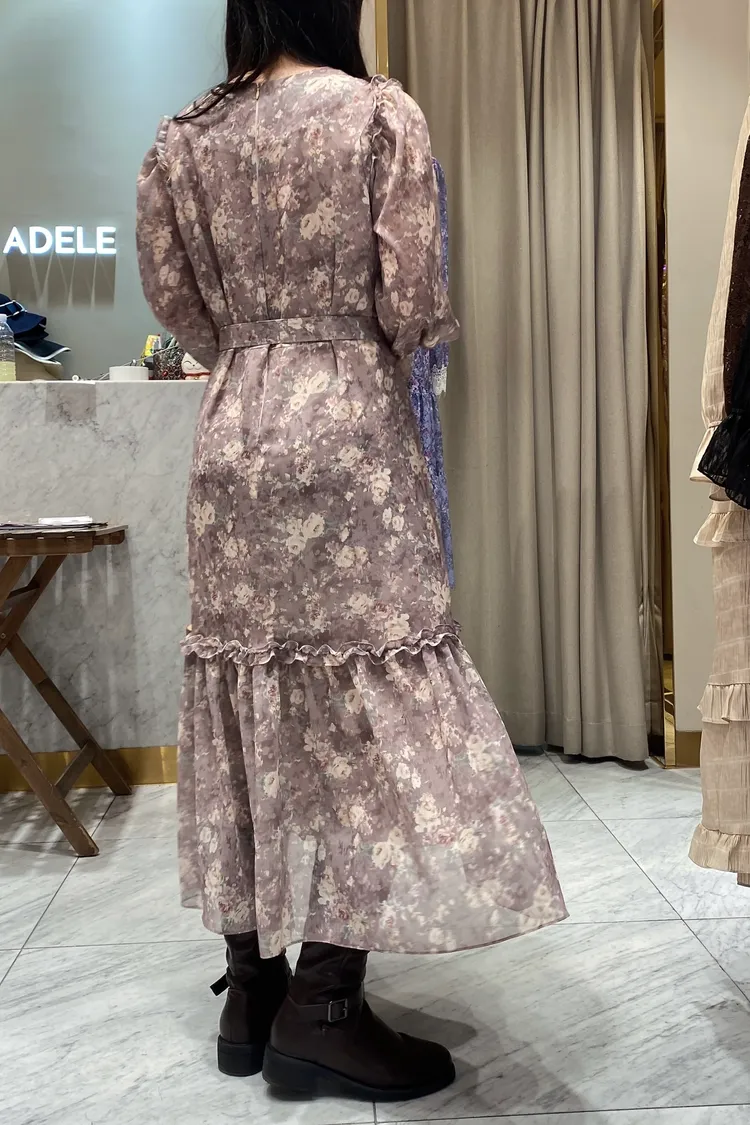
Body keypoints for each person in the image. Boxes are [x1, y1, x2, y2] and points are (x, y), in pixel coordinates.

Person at [136, 0, 566, 1103]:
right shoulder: (377, 114)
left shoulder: (183, 137)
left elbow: (178, 306)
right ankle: (323, 1010)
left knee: (248, 689)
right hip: (348, 439)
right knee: (360, 713)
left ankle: (251, 989)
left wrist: (256, 343)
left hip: (234, 436)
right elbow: (414, 300)